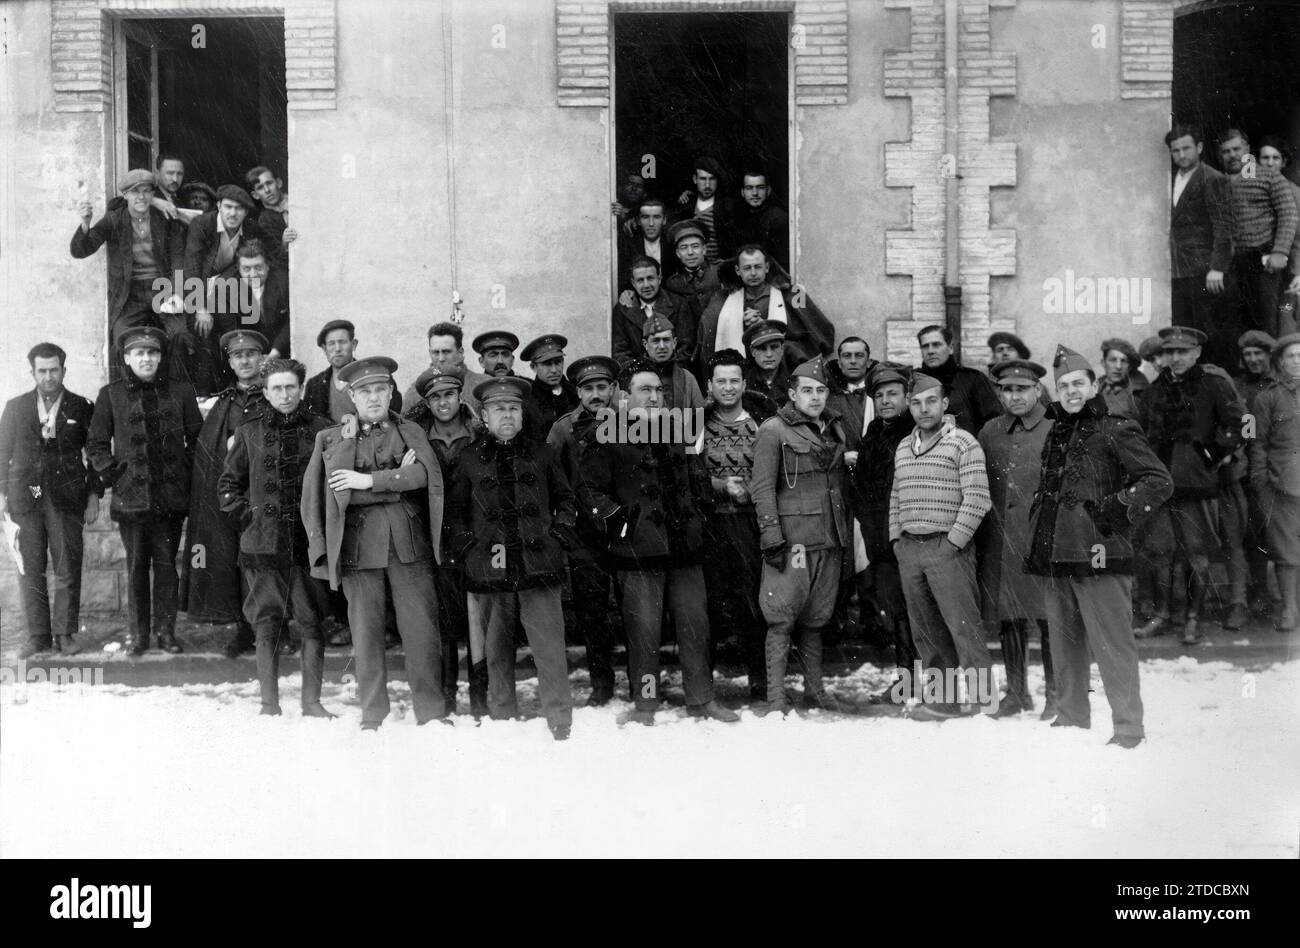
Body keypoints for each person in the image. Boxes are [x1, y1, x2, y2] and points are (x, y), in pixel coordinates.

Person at [575, 359, 739, 726]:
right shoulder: (607, 434)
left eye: (658, 390)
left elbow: (698, 480)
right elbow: (591, 491)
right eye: (644, 390)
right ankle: (645, 704)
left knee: (696, 626)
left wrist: (699, 522)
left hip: (685, 547)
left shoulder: (679, 430)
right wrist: (624, 531)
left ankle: (702, 698)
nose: (653, 397)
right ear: (625, 396)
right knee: (644, 632)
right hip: (639, 551)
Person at [1025, 346, 1173, 747]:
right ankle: (1072, 717)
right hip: (1057, 552)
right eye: (1063, 386)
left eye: (1078, 384)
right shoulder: (1057, 429)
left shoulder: (1116, 427)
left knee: (1113, 644)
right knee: (1063, 640)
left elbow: (1158, 481)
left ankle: (1128, 728)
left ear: (1093, 386)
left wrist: (1113, 512)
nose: (1071, 391)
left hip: (1101, 552)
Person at [300, 356, 447, 730]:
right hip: (357, 548)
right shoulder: (331, 439)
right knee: (365, 636)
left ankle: (430, 712)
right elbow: (318, 498)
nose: (374, 397)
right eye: (365, 391)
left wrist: (367, 482)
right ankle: (372, 714)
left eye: (380, 389)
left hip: (408, 546)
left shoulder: (410, 431)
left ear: (392, 392)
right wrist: (396, 480)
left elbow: (423, 476)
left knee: (421, 633)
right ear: (352, 396)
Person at [445, 377, 578, 741]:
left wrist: (557, 536)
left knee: (549, 646)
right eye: (499, 409)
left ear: (522, 414)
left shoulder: (543, 453)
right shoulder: (469, 458)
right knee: (496, 646)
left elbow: (566, 501)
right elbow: (455, 513)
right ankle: (502, 713)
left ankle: (559, 717)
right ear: (484, 416)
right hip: (490, 565)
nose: (507, 416)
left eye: (513, 409)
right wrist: (468, 546)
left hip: (539, 564)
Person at [218, 358, 336, 718]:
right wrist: (249, 517)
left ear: (301, 389)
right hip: (263, 547)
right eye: (277, 389)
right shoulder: (250, 431)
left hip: (306, 545)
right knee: (267, 624)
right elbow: (228, 485)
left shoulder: (322, 429)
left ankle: (312, 702)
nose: (284, 395)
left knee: (312, 623)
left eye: (290, 387)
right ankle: (269, 705)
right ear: (266, 393)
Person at [86, 326, 203, 655]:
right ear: (126, 357)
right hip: (132, 499)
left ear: (160, 356)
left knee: (167, 566)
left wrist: (185, 472)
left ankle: (166, 632)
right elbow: (96, 443)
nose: (147, 358)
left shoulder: (181, 391)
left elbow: (198, 439)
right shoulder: (111, 394)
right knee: (136, 567)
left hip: (170, 498)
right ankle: (138, 635)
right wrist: (113, 473)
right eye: (140, 353)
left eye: (153, 352)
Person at [888, 372, 993, 720]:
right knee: (927, 633)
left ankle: (982, 705)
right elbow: (895, 496)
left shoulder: (963, 443)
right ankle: (943, 703)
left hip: (948, 548)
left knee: (964, 629)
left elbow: (978, 499)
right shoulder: (905, 446)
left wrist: (953, 543)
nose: (923, 409)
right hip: (910, 549)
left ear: (945, 404)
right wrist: (897, 539)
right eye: (916, 403)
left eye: (931, 401)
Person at [750, 355, 850, 714]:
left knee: (816, 619)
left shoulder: (833, 428)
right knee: (781, 618)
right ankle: (777, 698)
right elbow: (761, 489)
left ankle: (814, 691)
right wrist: (771, 536)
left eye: (821, 391)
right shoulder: (773, 430)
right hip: (791, 541)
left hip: (829, 537)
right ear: (792, 393)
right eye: (807, 390)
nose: (815, 397)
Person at [1136, 326, 1245, 644]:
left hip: (1198, 484)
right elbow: (1141, 433)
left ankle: (1193, 620)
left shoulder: (1214, 385)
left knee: (1197, 553)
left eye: (1183, 351)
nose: (1176, 358)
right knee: (1160, 552)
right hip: (1160, 486)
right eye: (1170, 352)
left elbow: (1241, 424)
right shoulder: (1155, 391)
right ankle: (1163, 615)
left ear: (1197, 352)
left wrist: (1214, 454)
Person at [0, 343, 101, 658]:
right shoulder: (15, 407)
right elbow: (2, 453)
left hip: (66, 497)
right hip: (26, 497)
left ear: (64, 370)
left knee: (67, 566)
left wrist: (94, 496)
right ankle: (38, 635)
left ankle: (65, 633)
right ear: (32, 372)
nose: (48, 377)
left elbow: (96, 454)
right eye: (41, 371)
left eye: (53, 370)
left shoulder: (82, 406)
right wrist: (2, 495)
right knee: (29, 568)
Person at [180, 330, 269, 658]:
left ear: (262, 358)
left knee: (270, 563)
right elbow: (209, 454)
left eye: (251, 354)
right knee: (236, 563)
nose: (244, 361)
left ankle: (277, 629)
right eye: (237, 356)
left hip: (267, 495)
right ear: (230, 362)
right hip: (235, 499)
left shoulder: (275, 394)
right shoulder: (224, 403)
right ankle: (244, 630)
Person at [976, 359, 1056, 719]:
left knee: (1048, 617)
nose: (1014, 396)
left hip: (1042, 538)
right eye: (1007, 389)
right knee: (1009, 617)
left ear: (1037, 390)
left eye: (1022, 389)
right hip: (1001, 539)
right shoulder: (990, 431)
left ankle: (1056, 693)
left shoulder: (1056, 429)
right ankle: (1017, 693)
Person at [406, 368, 487, 715]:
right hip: (436, 535)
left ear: (460, 397)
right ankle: (448, 695)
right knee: (444, 619)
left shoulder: (478, 432)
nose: (443, 403)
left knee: (478, 617)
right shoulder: (418, 438)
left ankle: (481, 697)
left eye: (449, 395)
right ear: (427, 402)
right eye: (436, 397)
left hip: (476, 534)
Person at [546, 355, 623, 706]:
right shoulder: (563, 429)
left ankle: (640, 681)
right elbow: (553, 478)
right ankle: (601, 684)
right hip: (584, 534)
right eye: (588, 388)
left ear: (613, 389)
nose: (596, 394)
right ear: (578, 391)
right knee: (592, 613)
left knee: (631, 607)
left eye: (602, 387)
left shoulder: (630, 423)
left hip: (625, 530)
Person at [700, 348, 766, 701]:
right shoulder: (696, 424)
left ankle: (759, 680)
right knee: (710, 604)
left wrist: (751, 488)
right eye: (721, 381)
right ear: (710, 385)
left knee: (753, 604)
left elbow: (774, 469)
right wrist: (720, 486)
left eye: (734, 381)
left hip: (750, 523)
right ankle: (704, 684)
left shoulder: (762, 422)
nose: (728, 388)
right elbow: (689, 474)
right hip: (711, 525)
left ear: (744, 383)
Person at [850, 363, 918, 701]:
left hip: (910, 537)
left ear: (907, 396)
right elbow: (862, 484)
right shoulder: (874, 432)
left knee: (921, 611)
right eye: (879, 395)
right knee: (897, 611)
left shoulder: (917, 430)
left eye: (892, 394)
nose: (885, 401)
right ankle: (907, 681)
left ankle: (933, 684)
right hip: (880, 540)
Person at [70, 169, 186, 348]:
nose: (141, 197)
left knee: (180, 334)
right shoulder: (114, 220)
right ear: (125, 195)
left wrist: (177, 292)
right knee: (121, 336)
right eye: (135, 191)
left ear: (153, 194)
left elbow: (178, 258)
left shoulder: (164, 219)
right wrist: (85, 223)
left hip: (162, 287)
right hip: (130, 293)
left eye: (146, 191)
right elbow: (80, 250)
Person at [696, 244, 835, 373]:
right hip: (743, 371)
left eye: (758, 267)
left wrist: (765, 327)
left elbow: (820, 333)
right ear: (737, 271)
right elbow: (707, 335)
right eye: (747, 268)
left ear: (767, 267)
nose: (753, 273)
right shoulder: (723, 298)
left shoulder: (793, 293)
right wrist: (739, 321)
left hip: (784, 368)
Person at [185, 185, 269, 395]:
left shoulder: (250, 229)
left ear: (246, 212)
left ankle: (234, 389)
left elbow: (250, 260)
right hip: (198, 291)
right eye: (228, 207)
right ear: (219, 206)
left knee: (233, 330)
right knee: (203, 333)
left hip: (228, 289)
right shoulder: (202, 224)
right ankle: (204, 394)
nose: (233, 213)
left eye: (239, 209)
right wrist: (201, 307)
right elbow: (192, 266)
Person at [1220, 128, 1298, 339]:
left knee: (1266, 321)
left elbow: (1289, 214)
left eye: (1237, 149)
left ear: (1247, 148)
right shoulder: (1220, 181)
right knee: (1234, 320)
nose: (1233, 155)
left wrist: (1280, 251)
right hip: (1233, 262)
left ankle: (1269, 370)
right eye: (1226, 151)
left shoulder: (1269, 176)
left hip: (1264, 260)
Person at [1166, 125, 1233, 366]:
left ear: (1200, 148)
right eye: (1176, 150)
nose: (1181, 155)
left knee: (1205, 328)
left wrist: (1217, 267)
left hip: (1203, 268)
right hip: (1177, 267)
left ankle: (1212, 376)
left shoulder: (1212, 178)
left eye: (1186, 148)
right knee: (1182, 327)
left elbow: (1224, 227)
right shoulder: (1170, 177)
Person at [1247, 332, 1300, 632]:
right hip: (1281, 483)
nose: (1297, 360)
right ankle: (1289, 609)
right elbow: (1257, 444)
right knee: (1286, 549)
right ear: (1280, 361)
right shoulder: (1267, 397)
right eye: (1291, 356)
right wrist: (1261, 483)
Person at [304, 319, 403, 423]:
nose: (337, 349)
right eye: (331, 343)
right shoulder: (314, 385)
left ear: (354, 344)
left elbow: (392, 414)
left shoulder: (375, 376)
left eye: (342, 342)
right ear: (324, 349)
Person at [611, 256, 698, 368]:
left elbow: (686, 348)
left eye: (650, 278)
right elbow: (620, 353)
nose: (646, 285)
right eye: (640, 280)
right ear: (633, 283)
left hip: (673, 373)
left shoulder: (678, 304)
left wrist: (668, 372)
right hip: (638, 376)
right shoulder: (622, 310)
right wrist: (643, 374)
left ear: (659, 279)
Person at [914, 324, 1001, 434]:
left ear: (950, 348)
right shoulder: (914, 382)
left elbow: (994, 422)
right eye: (925, 346)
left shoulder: (973, 379)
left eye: (936, 345)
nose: (930, 351)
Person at [401, 322, 491, 417]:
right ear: (430, 352)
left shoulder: (483, 384)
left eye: (446, 352)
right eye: (435, 352)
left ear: (460, 352)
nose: (441, 358)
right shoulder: (416, 391)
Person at [229, 240, 290, 359]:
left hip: (282, 350)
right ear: (239, 270)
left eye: (258, 267)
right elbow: (234, 330)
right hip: (251, 352)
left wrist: (275, 352)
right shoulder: (229, 288)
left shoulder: (283, 281)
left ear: (267, 266)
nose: (253, 274)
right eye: (246, 269)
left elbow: (290, 322)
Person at [672, 156, 734, 263]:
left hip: (718, 269)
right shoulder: (686, 204)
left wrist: (727, 261)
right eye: (703, 179)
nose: (707, 185)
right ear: (695, 179)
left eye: (712, 179)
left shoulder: (727, 206)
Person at [640, 314, 704, 415]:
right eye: (656, 341)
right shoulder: (634, 379)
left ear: (674, 343)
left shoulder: (687, 378)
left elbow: (699, 419)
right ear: (645, 344)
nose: (662, 346)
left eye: (666, 340)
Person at [732, 167, 790, 271]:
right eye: (749, 188)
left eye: (760, 187)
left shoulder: (778, 218)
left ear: (768, 191)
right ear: (742, 192)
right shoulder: (737, 217)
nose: (755, 193)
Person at [521, 334, 579, 434]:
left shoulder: (576, 393)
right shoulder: (528, 400)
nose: (554, 370)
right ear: (533, 367)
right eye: (547, 364)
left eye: (558, 362)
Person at [617, 196, 679, 288]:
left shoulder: (672, 244)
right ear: (638, 221)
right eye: (645, 217)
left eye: (656, 217)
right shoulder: (629, 244)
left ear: (664, 220)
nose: (651, 223)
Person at [662, 220, 722, 313]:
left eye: (695, 246)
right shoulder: (674, 283)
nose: (690, 252)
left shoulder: (719, 271)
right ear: (678, 253)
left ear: (704, 249)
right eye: (684, 247)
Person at [245, 165, 298, 269]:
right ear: (255, 195)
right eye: (260, 188)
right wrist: (284, 244)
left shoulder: (297, 198)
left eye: (269, 183)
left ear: (278, 183)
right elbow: (276, 259)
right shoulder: (265, 221)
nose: (267, 190)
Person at [740, 319, 790, 422]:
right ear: (753, 352)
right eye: (762, 348)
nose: (769, 354)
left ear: (782, 349)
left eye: (774, 347)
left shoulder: (794, 380)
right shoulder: (744, 383)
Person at [1098, 338, 1146, 420]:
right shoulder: (1094, 388)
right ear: (1103, 363)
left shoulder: (1139, 394)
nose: (1118, 366)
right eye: (1113, 360)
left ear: (1130, 366)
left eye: (1124, 361)